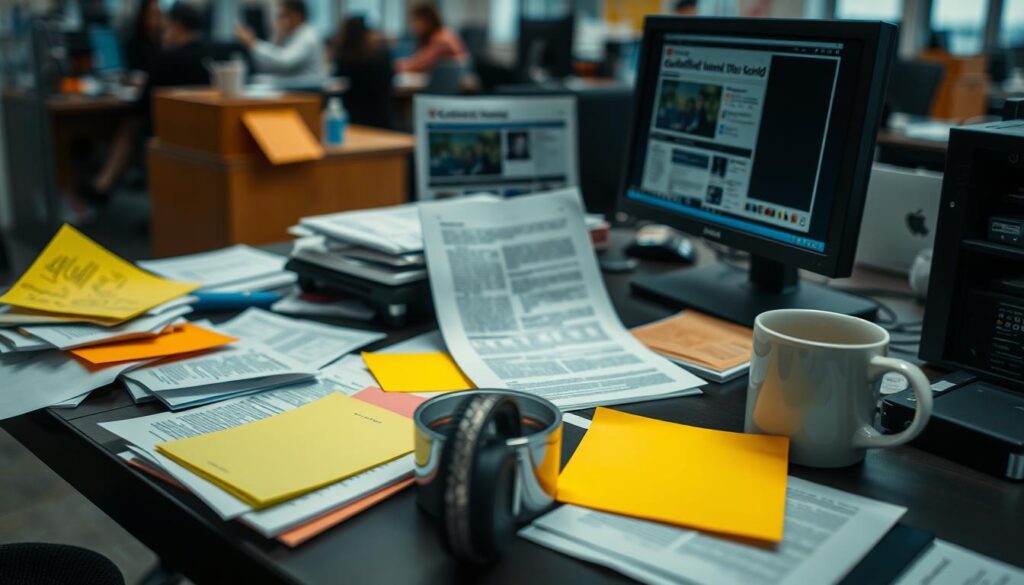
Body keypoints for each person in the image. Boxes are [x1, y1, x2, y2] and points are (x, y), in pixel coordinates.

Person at [80, 2, 210, 209]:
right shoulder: (212, 52)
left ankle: (102, 185)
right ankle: (105, 183)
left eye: (166, 25)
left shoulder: (167, 59)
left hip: (167, 132)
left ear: (176, 27)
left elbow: (141, 104)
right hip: (201, 132)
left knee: (131, 124)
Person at [236, 0, 324, 78]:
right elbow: (268, 65)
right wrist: (278, 39)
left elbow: (285, 63)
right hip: (293, 87)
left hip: (308, 92)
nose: (279, 20)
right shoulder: (290, 34)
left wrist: (253, 44)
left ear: (297, 15)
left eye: (283, 15)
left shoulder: (307, 36)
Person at [333, 16, 393, 128]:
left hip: (354, 123)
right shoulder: (382, 55)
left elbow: (337, 85)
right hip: (383, 121)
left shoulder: (344, 59)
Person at [396, 3, 466, 73]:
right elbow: (421, 58)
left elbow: (422, 63)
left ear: (427, 21)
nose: (414, 26)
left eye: (417, 22)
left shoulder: (440, 39)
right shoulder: (445, 33)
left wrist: (402, 65)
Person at [123, 0, 163, 77]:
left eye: (158, 14)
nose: (156, 20)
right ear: (143, 15)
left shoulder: (159, 40)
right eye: (151, 14)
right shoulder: (133, 42)